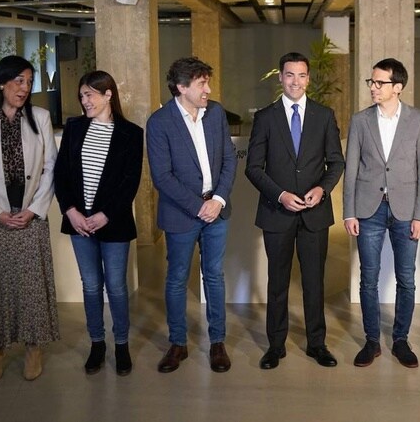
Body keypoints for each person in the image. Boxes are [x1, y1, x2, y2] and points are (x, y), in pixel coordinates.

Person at [0, 55, 59, 383]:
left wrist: (34, 210)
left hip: (31, 215)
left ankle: (33, 348)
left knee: (31, 288)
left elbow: (50, 169)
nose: (24, 88)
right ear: (2, 82)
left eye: (29, 82)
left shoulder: (40, 117)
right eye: (18, 80)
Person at [246, 52, 344, 370]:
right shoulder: (265, 117)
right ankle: (275, 346)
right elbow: (253, 168)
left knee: (314, 282)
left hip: (315, 214)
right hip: (278, 212)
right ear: (280, 78)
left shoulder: (324, 115)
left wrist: (322, 189)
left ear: (308, 79)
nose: (296, 81)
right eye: (290, 75)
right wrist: (281, 195)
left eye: (302, 75)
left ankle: (317, 344)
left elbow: (336, 161)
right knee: (277, 282)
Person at [146, 57, 237, 374]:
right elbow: (162, 176)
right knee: (176, 279)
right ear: (181, 87)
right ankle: (177, 343)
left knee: (214, 276)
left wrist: (219, 200)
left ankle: (217, 343)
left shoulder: (216, 113)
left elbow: (229, 159)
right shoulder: (159, 122)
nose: (208, 90)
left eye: (207, 82)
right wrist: (199, 206)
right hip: (182, 214)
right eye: (202, 84)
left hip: (217, 211)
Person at [343, 58, 420, 368]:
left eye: (379, 83)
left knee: (406, 279)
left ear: (398, 87)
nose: (373, 87)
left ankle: (400, 340)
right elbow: (351, 170)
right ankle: (371, 341)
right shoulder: (360, 120)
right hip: (368, 210)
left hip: (407, 210)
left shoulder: (419, 120)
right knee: (368, 278)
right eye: (371, 82)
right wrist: (348, 212)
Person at [54, 70, 143, 376]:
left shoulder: (132, 133)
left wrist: (106, 214)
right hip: (80, 223)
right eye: (81, 96)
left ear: (108, 95)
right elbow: (61, 175)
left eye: (90, 94)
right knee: (91, 286)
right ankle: (97, 344)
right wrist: (71, 211)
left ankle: (121, 345)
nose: (84, 101)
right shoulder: (75, 127)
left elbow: (130, 182)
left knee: (116, 287)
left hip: (113, 223)